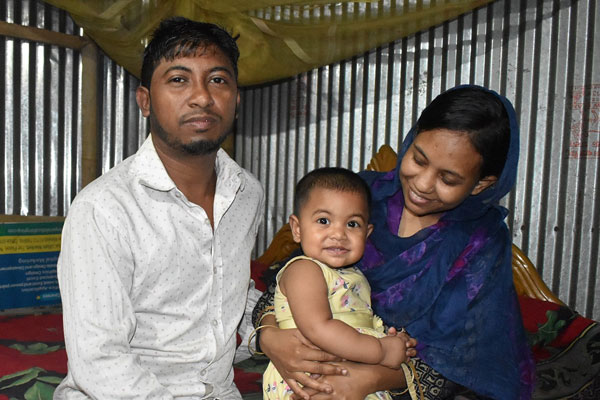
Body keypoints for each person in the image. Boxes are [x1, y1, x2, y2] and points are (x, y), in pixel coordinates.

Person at [254, 86, 536, 400]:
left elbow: (464, 361)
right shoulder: (360, 197)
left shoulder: (479, 241)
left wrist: (369, 379)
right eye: (419, 159)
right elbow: (288, 280)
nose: (423, 184)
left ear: (480, 184)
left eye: (448, 179)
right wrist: (270, 337)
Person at [54, 17, 265, 399]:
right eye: (179, 79)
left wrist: (266, 331)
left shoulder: (246, 194)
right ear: (145, 102)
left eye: (218, 80)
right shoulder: (104, 210)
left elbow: (226, 287)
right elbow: (100, 361)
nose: (202, 97)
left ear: (236, 98)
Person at [261, 168, 418, 400]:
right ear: (297, 228)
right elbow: (319, 328)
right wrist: (382, 350)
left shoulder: (354, 276)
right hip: (313, 378)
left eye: (352, 224)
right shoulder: (304, 270)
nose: (338, 234)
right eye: (323, 221)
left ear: (367, 233)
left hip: (349, 373)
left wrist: (392, 339)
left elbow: (356, 321)